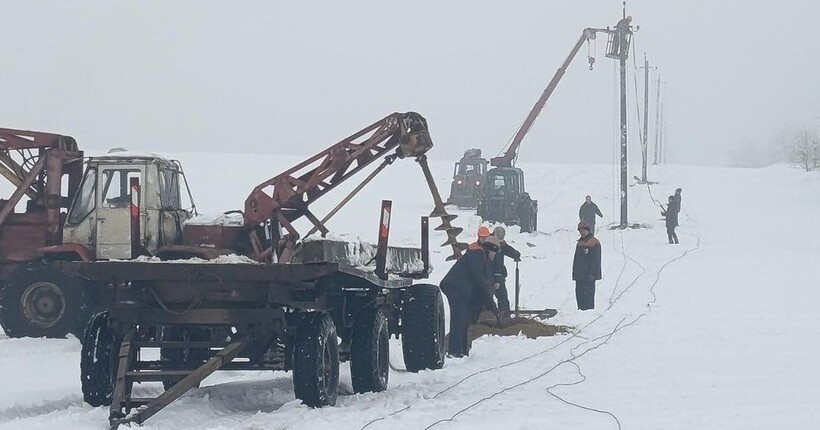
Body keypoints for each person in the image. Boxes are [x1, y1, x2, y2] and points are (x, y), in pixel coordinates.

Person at [439, 229, 501, 357]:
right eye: (494, 253)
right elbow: (480, 280)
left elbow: (482, 286)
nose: (494, 256)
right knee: (459, 318)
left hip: (461, 290)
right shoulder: (477, 254)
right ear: (491, 250)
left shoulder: (482, 257)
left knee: (464, 318)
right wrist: (492, 306)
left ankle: (462, 349)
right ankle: (454, 351)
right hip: (454, 287)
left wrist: (489, 304)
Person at [489, 226, 521, 325]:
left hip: (499, 275)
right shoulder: (489, 244)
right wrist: (496, 279)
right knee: (487, 297)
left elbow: (506, 249)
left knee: (502, 297)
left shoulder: (500, 243)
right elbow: (494, 264)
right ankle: (485, 317)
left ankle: (505, 317)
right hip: (489, 275)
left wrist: (515, 254)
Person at [572, 220, 601, 311]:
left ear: (588, 230)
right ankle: (580, 311)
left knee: (588, 297)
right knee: (580, 296)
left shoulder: (594, 242)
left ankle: (589, 313)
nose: (582, 232)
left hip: (589, 276)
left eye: (583, 230)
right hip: (579, 276)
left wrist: (592, 274)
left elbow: (596, 261)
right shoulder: (580, 243)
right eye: (580, 231)